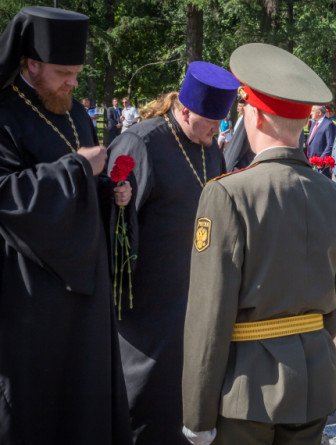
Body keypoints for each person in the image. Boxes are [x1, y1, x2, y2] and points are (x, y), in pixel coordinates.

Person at [182, 42, 336, 445]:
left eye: (243, 107)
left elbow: (210, 314)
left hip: (243, 391)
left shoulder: (227, 194)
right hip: (313, 382)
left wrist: (196, 413)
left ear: (255, 115)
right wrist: (302, 343)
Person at [0, 6, 133, 444]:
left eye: (77, 72)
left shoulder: (74, 113)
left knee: (83, 394)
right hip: (27, 293)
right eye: (63, 72)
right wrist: (78, 168)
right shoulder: (4, 113)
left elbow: (86, 183)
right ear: (30, 63)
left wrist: (112, 192)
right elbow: (7, 195)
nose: (73, 83)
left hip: (83, 288)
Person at [107, 61, 238, 444]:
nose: (217, 131)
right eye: (210, 122)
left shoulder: (209, 145)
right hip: (149, 302)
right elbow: (115, 221)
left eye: (220, 123)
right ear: (183, 110)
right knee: (146, 391)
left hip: (194, 290)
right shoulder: (141, 142)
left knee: (188, 389)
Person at [306, 105, 336, 176]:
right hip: (310, 161)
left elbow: (330, 144)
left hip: (320, 164)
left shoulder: (328, 124)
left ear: (319, 112)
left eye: (312, 111)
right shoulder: (314, 124)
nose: (310, 113)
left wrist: (321, 160)